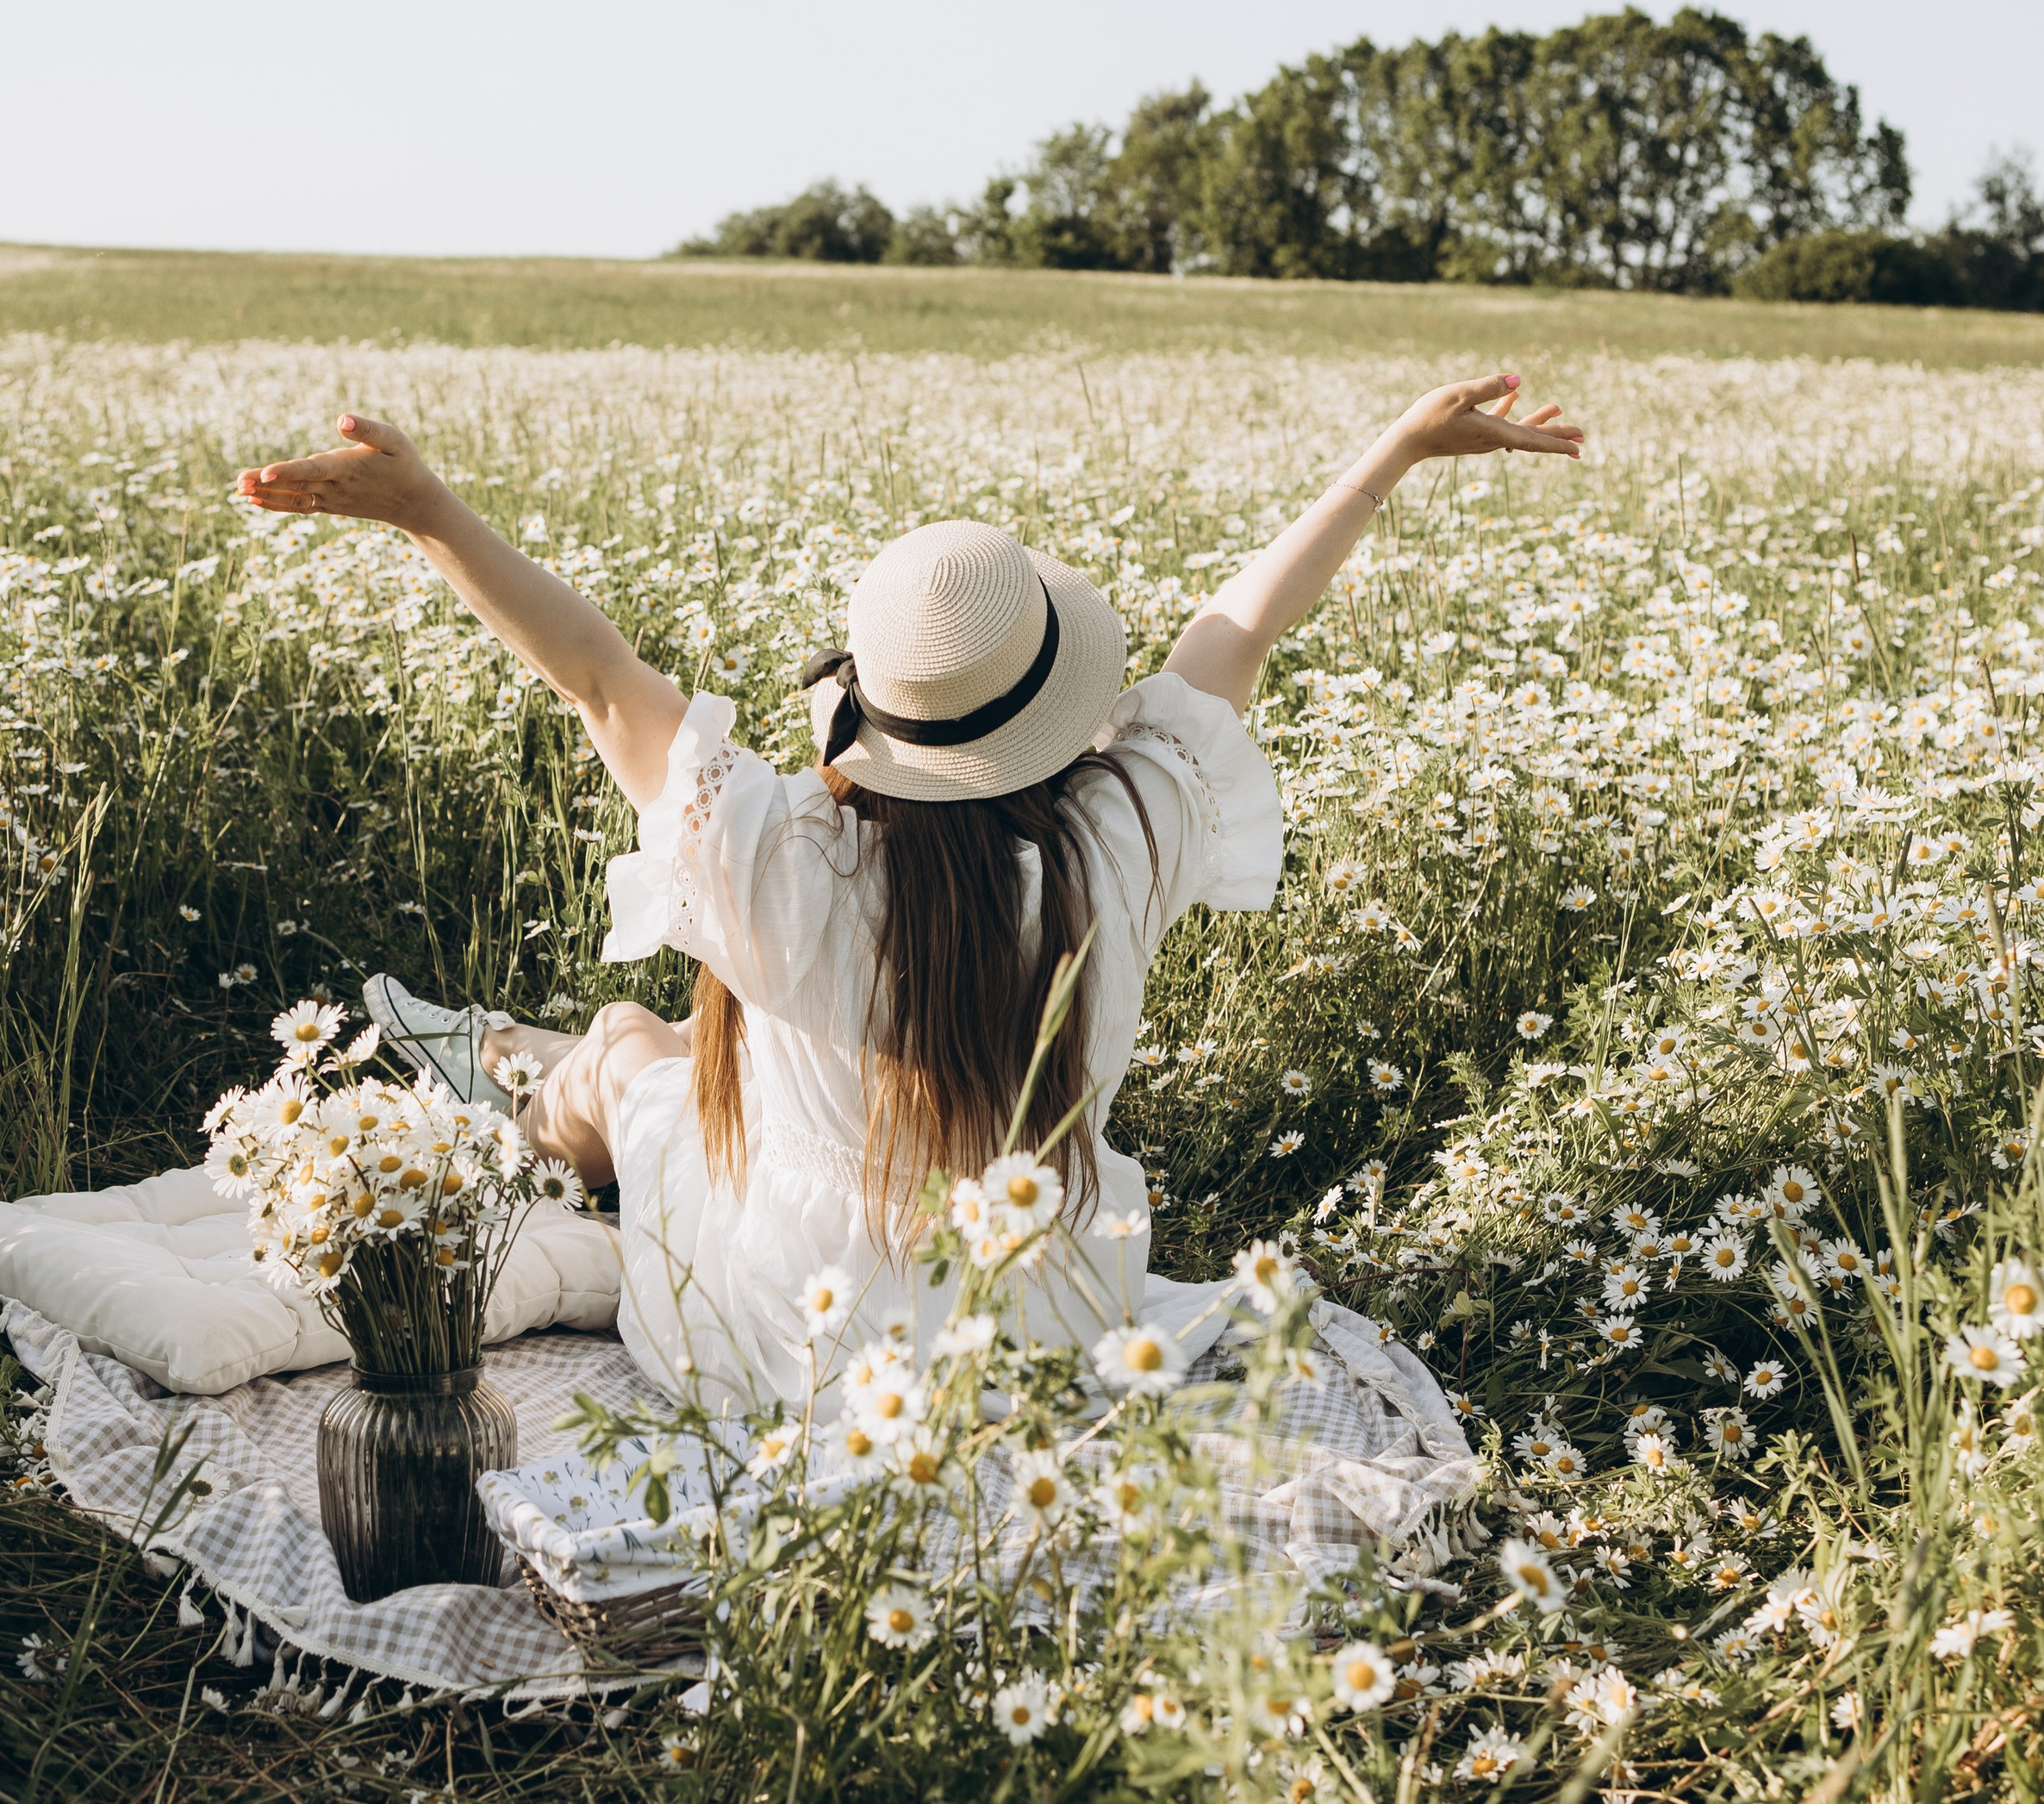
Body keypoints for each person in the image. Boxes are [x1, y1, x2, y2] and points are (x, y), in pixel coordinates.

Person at [237, 372, 1581, 1426]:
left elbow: (595, 676)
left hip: (786, 1341)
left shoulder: (780, 859)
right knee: (682, 1054)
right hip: (1041, 1333)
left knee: (634, 1046)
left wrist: (426, 510)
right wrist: (1396, 452)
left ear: (870, 709)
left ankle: (519, 1100)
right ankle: (531, 1076)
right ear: (1050, 707)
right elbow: (1237, 632)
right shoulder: (1120, 840)